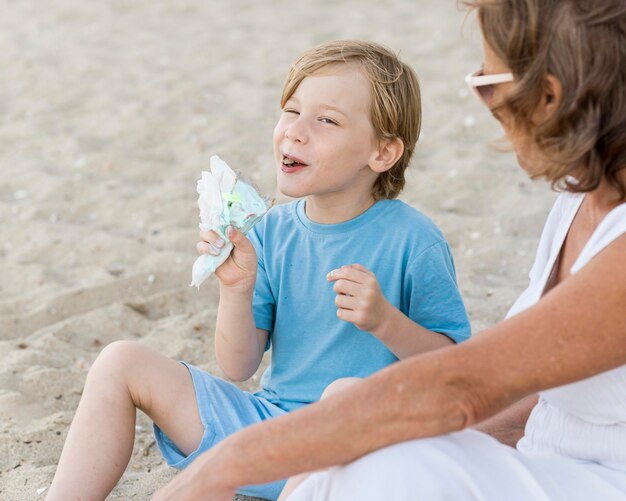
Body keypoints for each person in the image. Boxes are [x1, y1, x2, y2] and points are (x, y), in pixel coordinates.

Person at [149, 1, 626, 500]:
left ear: (548, 97)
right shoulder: (579, 199)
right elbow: (533, 393)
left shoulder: (415, 238)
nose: (488, 110)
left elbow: (461, 385)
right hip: (545, 463)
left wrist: (226, 465)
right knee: (353, 419)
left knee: (368, 451)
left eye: (487, 85)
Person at [45, 40, 471, 501]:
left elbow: (457, 372)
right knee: (120, 361)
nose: (296, 132)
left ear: (383, 153)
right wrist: (236, 289)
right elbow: (238, 366)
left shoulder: (414, 240)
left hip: (363, 449)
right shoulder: (272, 231)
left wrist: (387, 323)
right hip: (272, 432)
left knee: (345, 394)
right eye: (291, 111)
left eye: (326, 120)